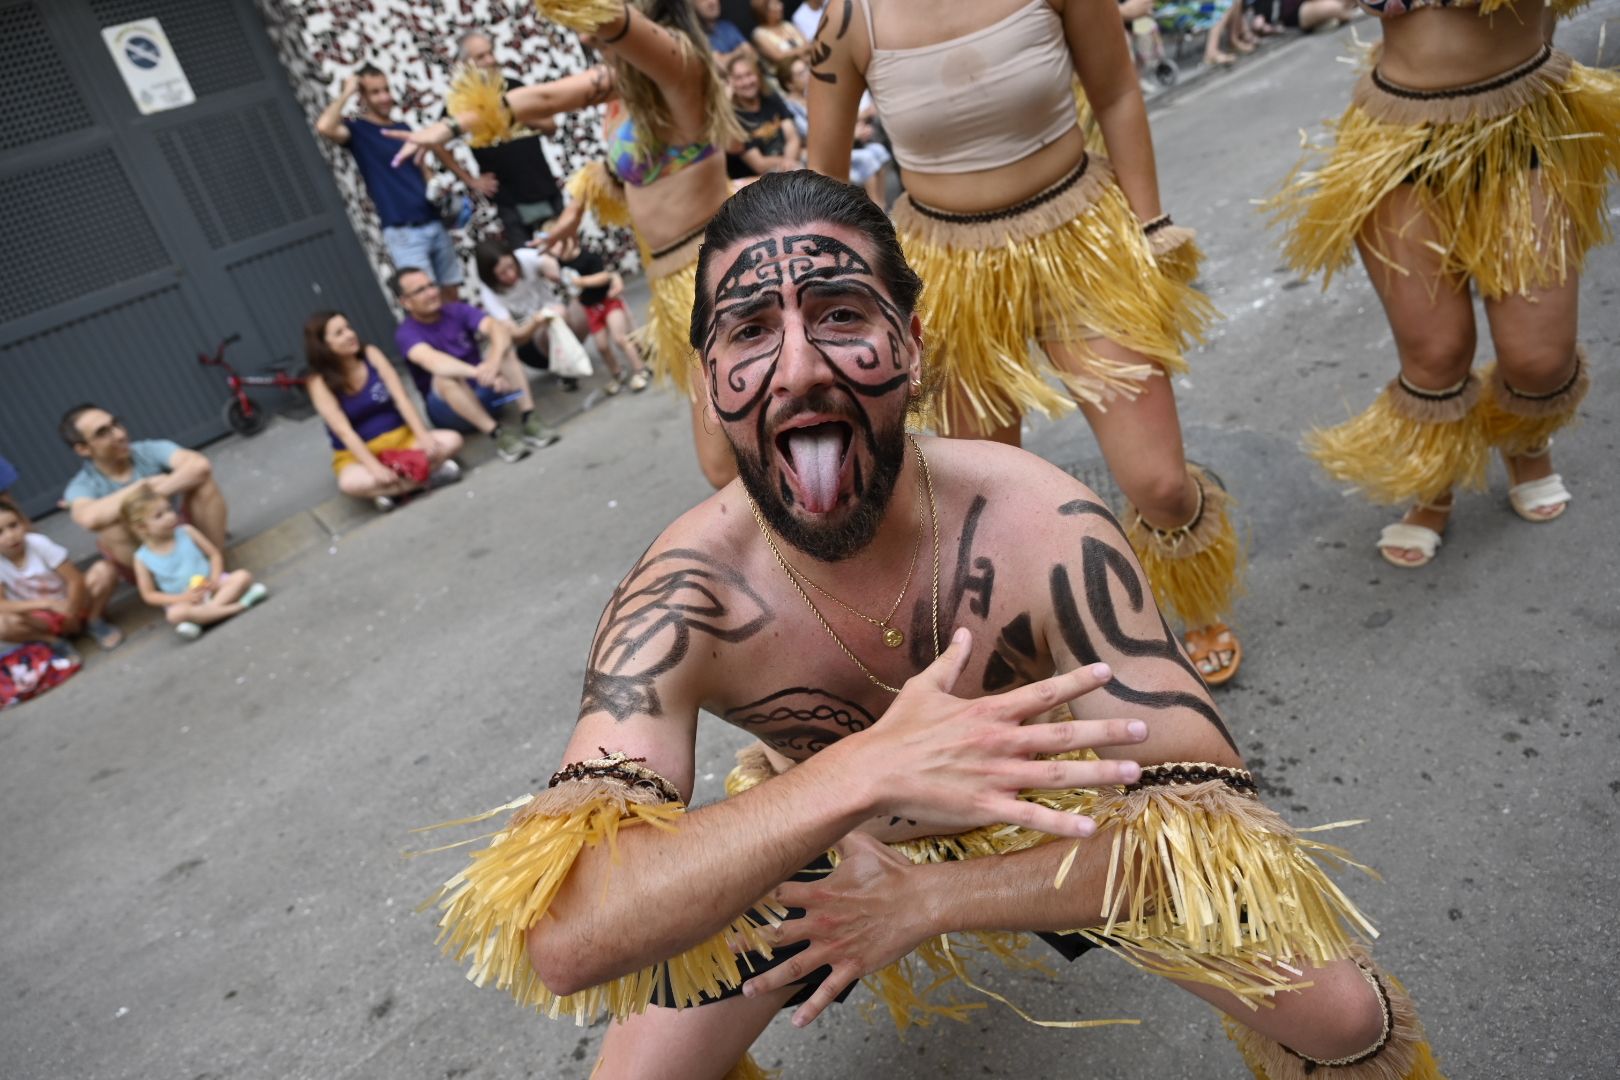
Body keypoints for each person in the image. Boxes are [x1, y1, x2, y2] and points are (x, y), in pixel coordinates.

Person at [420, 174, 1443, 1080]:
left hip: (1053, 821)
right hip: (825, 839)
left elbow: (1212, 833)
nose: (799, 369)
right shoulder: (683, 596)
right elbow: (567, 932)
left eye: (840, 315)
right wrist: (864, 774)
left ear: (911, 350)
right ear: (705, 386)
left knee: (1344, 1018)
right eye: (747, 332)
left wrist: (929, 901)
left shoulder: (1040, 526)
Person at [806, 0, 1242, 685]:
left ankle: (1190, 596)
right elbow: (824, 188)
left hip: (1081, 238)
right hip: (950, 271)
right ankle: (1032, 660)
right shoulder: (848, 21)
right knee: (986, 512)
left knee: (1158, 483)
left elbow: (1119, 92)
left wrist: (1152, 220)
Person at [1267, 0, 1616, 567]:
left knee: (1539, 361)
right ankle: (1436, 478)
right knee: (1435, 353)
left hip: (1522, 113)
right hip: (1397, 130)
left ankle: (1525, 440)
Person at [386, 0, 748, 489]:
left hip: (716, 278)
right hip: (675, 285)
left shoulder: (680, 63)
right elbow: (546, 100)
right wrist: (449, 129)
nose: (586, 40)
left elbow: (612, 23)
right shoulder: (629, 83)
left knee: (724, 464)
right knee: (734, 452)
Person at [315, 64, 466, 300]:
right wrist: (346, 93)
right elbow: (324, 126)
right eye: (375, 92)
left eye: (386, 89)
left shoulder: (403, 127)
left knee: (451, 292)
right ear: (362, 96)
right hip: (403, 232)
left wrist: (440, 192)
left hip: (433, 222)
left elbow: (423, 171)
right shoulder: (358, 131)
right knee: (424, 297)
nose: (385, 97)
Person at [391, 267, 559, 463]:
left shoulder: (456, 310)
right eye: (421, 290)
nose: (432, 292)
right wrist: (482, 372)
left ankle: (529, 417)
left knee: (503, 349)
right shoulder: (406, 334)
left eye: (431, 285)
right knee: (444, 378)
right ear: (405, 302)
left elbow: (497, 328)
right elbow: (433, 362)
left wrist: (494, 364)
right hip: (452, 414)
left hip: (492, 398)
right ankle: (497, 433)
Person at [303, 310, 464, 510]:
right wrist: (374, 467)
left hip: (403, 440)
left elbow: (402, 399)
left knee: (452, 440)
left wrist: (423, 435)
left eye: (348, 328)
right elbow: (344, 431)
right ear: (324, 345)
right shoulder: (318, 382)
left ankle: (394, 492)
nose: (350, 334)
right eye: (339, 333)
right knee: (350, 483)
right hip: (359, 455)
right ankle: (427, 478)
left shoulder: (371, 355)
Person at [60, 405, 230, 578]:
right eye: (103, 433)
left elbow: (199, 466)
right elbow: (89, 518)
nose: (120, 435)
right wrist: (145, 486)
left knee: (204, 485)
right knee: (109, 529)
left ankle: (214, 569)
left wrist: (158, 492)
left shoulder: (149, 450)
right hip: (146, 562)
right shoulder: (82, 485)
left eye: (116, 424)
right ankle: (171, 587)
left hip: (180, 533)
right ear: (83, 449)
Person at [453, 30, 567, 244]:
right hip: (509, 201)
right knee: (528, 264)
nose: (491, 60)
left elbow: (550, 126)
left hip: (543, 186)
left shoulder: (514, 87)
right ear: (465, 65)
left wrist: (510, 110)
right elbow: (440, 143)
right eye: (481, 56)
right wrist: (470, 180)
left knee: (568, 252)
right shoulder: (461, 102)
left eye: (490, 53)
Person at [123, 488, 266, 641]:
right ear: (141, 527)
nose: (170, 516)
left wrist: (215, 578)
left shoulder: (187, 532)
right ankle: (239, 606)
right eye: (159, 516)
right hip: (185, 600)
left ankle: (202, 619)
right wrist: (182, 598)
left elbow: (214, 554)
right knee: (174, 615)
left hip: (213, 587)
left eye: (169, 509)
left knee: (242, 576)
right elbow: (149, 595)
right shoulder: (142, 558)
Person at [0, 496, 122, 652]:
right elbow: (2, 604)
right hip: (41, 618)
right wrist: (47, 604)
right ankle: (53, 641)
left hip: (73, 602)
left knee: (104, 570)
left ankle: (94, 620)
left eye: (13, 525)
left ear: (23, 523)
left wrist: (71, 612)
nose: (10, 536)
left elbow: (75, 580)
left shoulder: (37, 543)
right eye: (0, 532)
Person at [473, 238, 594, 392]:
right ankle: (566, 372)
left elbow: (548, 262)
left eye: (511, 266)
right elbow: (514, 335)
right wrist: (537, 321)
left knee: (587, 304)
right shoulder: (489, 294)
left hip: (564, 320)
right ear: (491, 277)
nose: (511, 274)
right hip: (532, 346)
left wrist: (552, 267)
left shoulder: (524, 257)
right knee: (552, 322)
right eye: (502, 273)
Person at [543, 231, 653, 395]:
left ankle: (640, 369)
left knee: (619, 338)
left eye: (557, 244)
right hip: (590, 308)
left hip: (608, 302)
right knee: (601, 346)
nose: (555, 250)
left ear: (570, 240)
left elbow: (605, 276)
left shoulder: (588, 257)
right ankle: (617, 373)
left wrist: (582, 282)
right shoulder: (560, 262)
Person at [779, 58, 890, 204]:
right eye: (800, 74)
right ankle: (876, 209)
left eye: (806, 70)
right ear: (789, 84)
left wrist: (856, 128)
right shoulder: (789, 107)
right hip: (818, 153)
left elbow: (835, 119)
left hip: (836, 144)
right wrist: (851, 135)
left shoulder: (812, 96)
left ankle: (882, 206)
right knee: (867, 159)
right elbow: (810, 134)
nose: (807, 75)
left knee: (878, 150)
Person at [725, 55, 802, 178]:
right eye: (738, 78)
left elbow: (792, 137)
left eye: (749, 74)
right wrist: (786, 162)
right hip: (759, 180)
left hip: (789, 165)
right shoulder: (734, 117)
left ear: (758, 75)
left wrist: (789, 162)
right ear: (730, 83)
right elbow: (758, 164)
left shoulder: (770, 97)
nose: (746, 82)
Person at [751, 0, 813, 82]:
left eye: (779, 3)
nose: (781, 6)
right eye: (775, 5)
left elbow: (809, 45)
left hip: (809, 67)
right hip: (787, 79)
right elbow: (779, 57)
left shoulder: (787, 25)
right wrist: (802, 51)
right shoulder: (759, 34)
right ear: (764, 11)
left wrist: (792, 53)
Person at [695, 0, 756, 67]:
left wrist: (726, 57)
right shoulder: (696, 37)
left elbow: (752, 55)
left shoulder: (726, 26)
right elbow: (720, 66)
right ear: (692, 5)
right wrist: (739, 52)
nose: (712, 2)